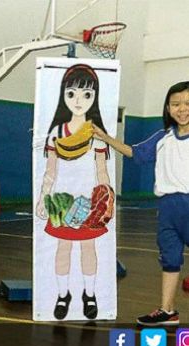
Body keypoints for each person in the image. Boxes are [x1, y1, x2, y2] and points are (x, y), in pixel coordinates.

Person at [94, 81, 189, 326]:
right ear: (168, 108)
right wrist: (105, 137)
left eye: (188, 103)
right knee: (170, 259)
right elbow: (135, 152)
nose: (182, 109)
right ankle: (167, 311)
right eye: (176, 104)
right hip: (168, 208)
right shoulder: (162, 138)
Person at [35, 64, 113, 320]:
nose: (78, 101)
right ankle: (62, 295)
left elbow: (102, 171)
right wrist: (42, 199)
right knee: (63, 248)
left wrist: (106, 198)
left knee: (89, 248)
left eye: (87, 95)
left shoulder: (98, 135)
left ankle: (89, 295)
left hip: (89, 200)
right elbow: (50, 171)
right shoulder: (56, 133)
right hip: (61, 201)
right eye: (72, 94)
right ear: (63, 96)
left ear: (95, 98)